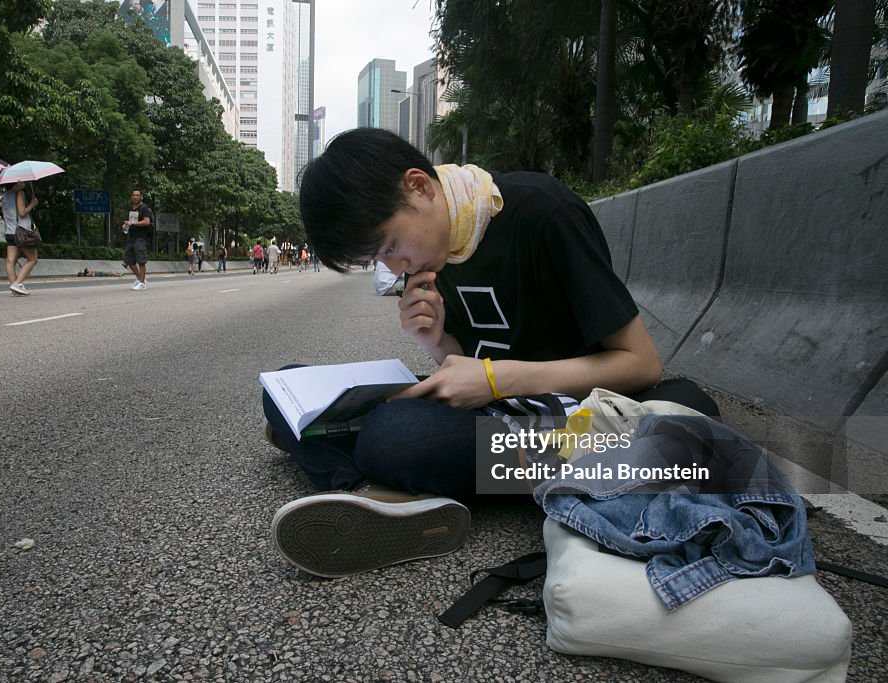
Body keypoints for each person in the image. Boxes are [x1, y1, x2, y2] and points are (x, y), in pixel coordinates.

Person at [263, 128, 720, 579]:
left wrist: (496, 378)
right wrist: (436, 342)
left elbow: (641, 362)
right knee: (284, 387)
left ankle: (377, 479)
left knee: (392, 436)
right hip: (494, 418)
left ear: (419, 186)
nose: (394, 268)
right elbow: (468, 370)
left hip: (565, 420)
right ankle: (371, 494)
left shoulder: (541, 211)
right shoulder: (434, 256)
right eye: (378, 261)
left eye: (389, 248)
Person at [0, 181, 39, 296]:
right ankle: (17, 283)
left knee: (10, 261)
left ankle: (14, 288)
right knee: (32, 259)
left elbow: (4, 215)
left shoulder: (5, 196)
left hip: (10, 231)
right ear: (15, 183)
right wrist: (32, 204)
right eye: (20, 180)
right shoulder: (19, 193)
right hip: (22, 231)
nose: (23, 182)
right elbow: (22, 213)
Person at [122, 189, 153, 290]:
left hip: (141, 237)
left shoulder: (144, 208)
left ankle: (142, 283)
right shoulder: (131, 208)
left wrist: (133, 224)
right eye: (134, 195)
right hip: (132, 237)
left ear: (141, 197)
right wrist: (126, 226)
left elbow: (146, 222)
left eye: (137, 195)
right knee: (129, 260)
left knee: (141, 260)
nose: (135, 197)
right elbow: (130, 222)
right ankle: (140, 279)